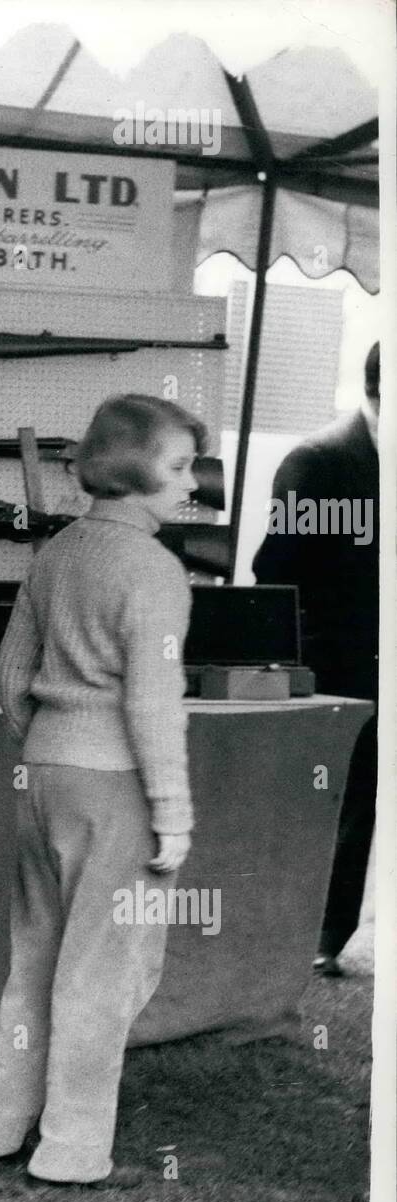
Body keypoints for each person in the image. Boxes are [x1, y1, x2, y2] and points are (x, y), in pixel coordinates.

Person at [0, 395, 203, 1190]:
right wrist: (172, 813)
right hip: (117, 787)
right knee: (103, 976)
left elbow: (8, 677)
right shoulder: (157, 570)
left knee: (33, 962)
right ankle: (70, 1154)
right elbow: (152, 704)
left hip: (44, 775)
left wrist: (44, 745)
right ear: (134, 470)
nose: (191, 483)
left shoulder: (56, 553)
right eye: (178, 465)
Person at [253, 343, 379, 978]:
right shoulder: (323, 463)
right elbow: (277, 569)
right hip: (342, 666)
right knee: (339, 801)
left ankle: (328, 933)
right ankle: (314, 936)